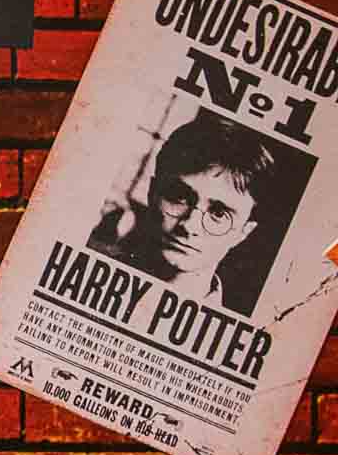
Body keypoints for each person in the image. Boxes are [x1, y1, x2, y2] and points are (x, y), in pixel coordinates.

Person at [87, 111, 284, 313]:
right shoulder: (89, 276)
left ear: (244, 232)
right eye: (179, 197)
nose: (189, 225)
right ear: (152, 192)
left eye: (218, 213)